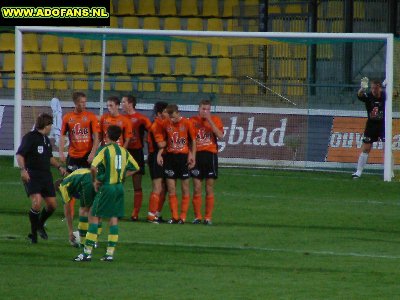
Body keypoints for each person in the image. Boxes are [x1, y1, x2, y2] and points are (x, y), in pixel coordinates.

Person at [74, 125, 139, 262]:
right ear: (119, 137)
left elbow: (92, 167)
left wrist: (94, 181)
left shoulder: (104, 150)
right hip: (119, 188)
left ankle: (87, 253)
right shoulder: (123, 151)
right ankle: (109, 254)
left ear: (106, 136)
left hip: (107, 188)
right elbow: (136, 167)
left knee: (93, 216)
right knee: (113, 218)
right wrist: (122, 176)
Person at [16, 113, 67, 244]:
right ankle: (33, 235)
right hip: (32, 174)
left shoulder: (46, 140)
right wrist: (23, 170)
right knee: (37, 203)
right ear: (47, 125)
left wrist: (59, 167)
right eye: (51, 125)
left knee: (52, 205)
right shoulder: (30, 137)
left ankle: (39, 224)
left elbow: (49, 157)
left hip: (46, 175)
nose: (51, 128)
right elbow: (20, 155)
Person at [59, 91, 100, 225]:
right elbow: (62, 136)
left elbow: (96, 137)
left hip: (86, 156)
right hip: (73, 156)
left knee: (89, 183)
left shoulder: (90, 117)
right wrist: (61, 152)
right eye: (81, 102)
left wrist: (93, 153)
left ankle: (89, 211)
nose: (84, 104)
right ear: (76, 103)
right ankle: (69, 214)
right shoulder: (68, 117)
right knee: (69, 184)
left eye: (85, 102)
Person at [157, 104, 196, 224]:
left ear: (178, 113)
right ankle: (175, 216)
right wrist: (159, 154)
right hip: (170, 158)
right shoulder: (166, 123)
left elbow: (193, 141)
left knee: (185, 188)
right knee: (171, 188)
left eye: (173, 117)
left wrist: (192, 155)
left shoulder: (187, 123)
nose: (172, 119)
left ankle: (183, 217)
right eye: (170, 117)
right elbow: (163, 141)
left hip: (183, 157)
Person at [190, 100, 224, 225]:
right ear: (198, 109)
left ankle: (208, 217)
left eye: (208, 109)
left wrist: (209, 120)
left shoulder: (215, 120)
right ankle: (197, 217)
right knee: (197, 187)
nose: (205, 111)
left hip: (210, 155)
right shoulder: (192, 121)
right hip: (197, 155)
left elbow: (220, 136)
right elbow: (189, 140)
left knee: (209, 187)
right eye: (203, 109)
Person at [121, 95, 152, 221]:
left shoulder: (141, 119)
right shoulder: (121, 118)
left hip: (137, 153)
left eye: (123, 102)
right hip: (124, 151)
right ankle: (117, 211)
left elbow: (152, 130)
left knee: (137, 184)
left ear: (130, 103)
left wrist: (147, 139)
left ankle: (135, 213)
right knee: (119, 182)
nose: (122, 104)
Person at [352, 78, 386, 179]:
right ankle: (358, 172)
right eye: (372, 88)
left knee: (387, 149)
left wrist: (389, 85)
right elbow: (359, 95)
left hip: (384, 125)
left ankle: (390, 172)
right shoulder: (369, 96)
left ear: (379, 88)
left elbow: (395, 94)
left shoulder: (385, 95)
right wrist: (362, 88)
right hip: (371, 125)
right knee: (366, 148)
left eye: (375, 88)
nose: (373, 90)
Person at [55, 168, 95, 247]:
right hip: (95, 176)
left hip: (86, 179)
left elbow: (68, 212)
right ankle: (93, 239)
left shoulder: (63, 186)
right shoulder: (72, 180)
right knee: (94, 210)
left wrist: (70, 232)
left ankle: (84, 242)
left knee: (84, 210)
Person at [147, 101, 169, 223]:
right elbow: (160, 144)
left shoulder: (164, 124)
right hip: (155, 157)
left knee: (164, 187)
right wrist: (172, 140)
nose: (168, 113)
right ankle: (151, 215)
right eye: (165, 111)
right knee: (157, 186)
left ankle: (157, 214)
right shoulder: (156, 125)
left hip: (163, 156)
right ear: (160, 113)